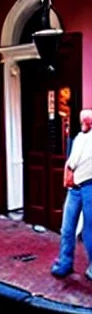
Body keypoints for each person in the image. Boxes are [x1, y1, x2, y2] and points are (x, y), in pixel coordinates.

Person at [51, 109, 92, 280]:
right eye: (82, 120)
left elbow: (74, 161)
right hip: (74, 188)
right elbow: (72, 160)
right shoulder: (79, 138)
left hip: (89, 186)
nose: (83, 122)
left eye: (86, 120)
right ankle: (65, 262)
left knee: (90, 229)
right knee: (67, 227)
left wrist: (70, 168)